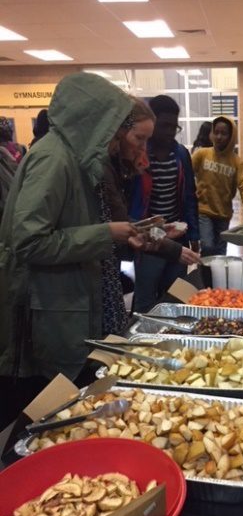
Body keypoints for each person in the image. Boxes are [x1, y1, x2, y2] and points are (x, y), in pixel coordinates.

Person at [0, 72, 144, 427]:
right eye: (114, 127)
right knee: (37, 416)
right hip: (44, 310)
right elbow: (29, 241)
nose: (117, 138)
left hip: (67, 303)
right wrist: (105, 233)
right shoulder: (54, 159)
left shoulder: (78, 159)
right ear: (92, 120)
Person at [130, 94, 200, 312]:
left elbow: (189, 195)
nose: (170, 132)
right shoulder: (138, 154)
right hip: (149, 237)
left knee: (172, 295)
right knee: (145, 296)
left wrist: (194, 235)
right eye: (164, 126)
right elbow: (131, 202)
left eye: (174, 126)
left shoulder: (180, 154)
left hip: (177, 235)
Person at [191, 115, 243, 256]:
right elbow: (186, 176)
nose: (218, 136)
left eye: (223, 133)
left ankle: (217, 277)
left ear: (231, 136)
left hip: (224, 214)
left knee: (220, 251)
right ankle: (205, 275)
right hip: (204, 212)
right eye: (215, 132)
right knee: (207, 246)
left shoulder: (236, 162)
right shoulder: (202, 154)